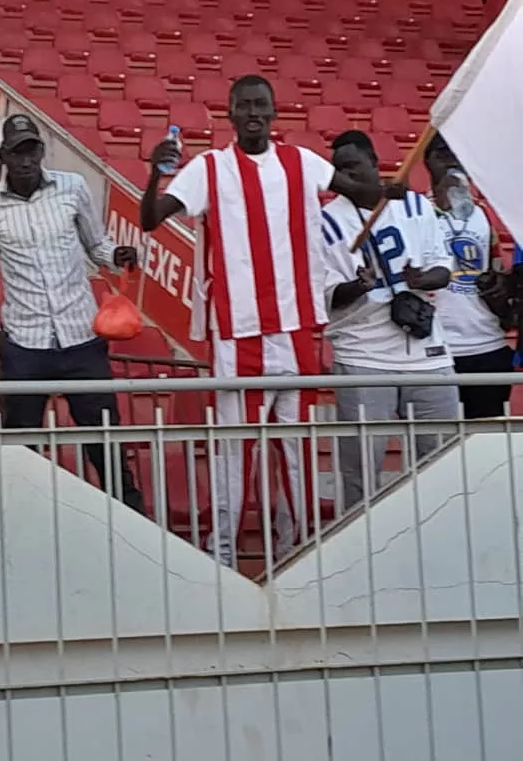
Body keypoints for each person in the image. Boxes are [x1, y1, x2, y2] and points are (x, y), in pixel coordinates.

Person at [139, 76, 403, 566]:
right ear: (231, 113)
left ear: (275, 110)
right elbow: (152, 218)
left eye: (262, 105)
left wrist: (390, 187)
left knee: (296, 449)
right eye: (244, 106)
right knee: (235, 450)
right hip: (238, 330)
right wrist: (156, 172)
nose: (254, 113)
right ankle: (221, 557)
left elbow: (361, 195)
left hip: (297, 324)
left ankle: (296, 552)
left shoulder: (301, 160)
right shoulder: (208, 168)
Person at [0, 114, 144, 512]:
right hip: (24, 345)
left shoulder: (73, 188)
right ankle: (20, 534)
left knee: (107, 447)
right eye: (17, 152)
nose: (26, 160)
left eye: (31, 150)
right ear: (3, 157)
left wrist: (116, 257)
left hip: (81, 335)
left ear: (42, 151)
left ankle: (139, 533)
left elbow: (97, 246)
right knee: (21, 454)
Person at [321, 130, 459, 512]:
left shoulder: (415, 206)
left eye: (352, 167)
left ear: (373, 161)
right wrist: (356, 286)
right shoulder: (326, 222)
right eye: (338, 171)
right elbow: (326, 295)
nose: (345, 177)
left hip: (427, 352)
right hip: (363, 354)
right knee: (360, 470)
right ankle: (358, 553)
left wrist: (422, 279)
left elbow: (444, 266)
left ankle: (437, 541)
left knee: (442, 464)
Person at [424, 134, 514, 418]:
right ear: (427, 163)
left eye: (456, 153)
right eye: (441, 154)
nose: (451, 161)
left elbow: (495, 270)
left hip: (486, 344)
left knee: (485, 445)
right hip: (438, 348)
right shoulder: (418, 213)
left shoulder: (484, 215)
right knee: (439, 445)